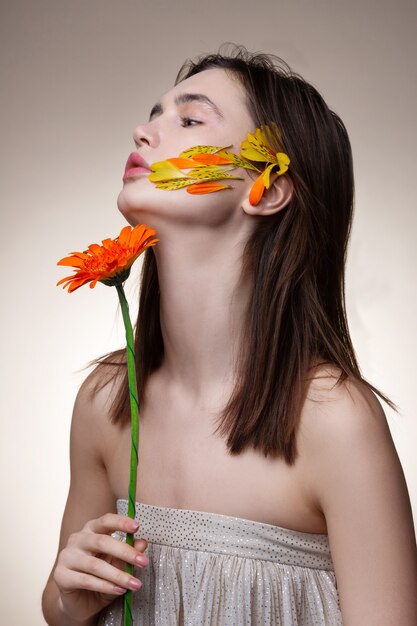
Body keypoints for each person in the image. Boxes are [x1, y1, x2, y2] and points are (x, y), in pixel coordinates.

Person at [42, 47, 417, 626]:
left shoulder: (334, 419)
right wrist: (70, 599)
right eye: (155, 114)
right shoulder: (107, 400)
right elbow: (63, 612)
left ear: (265, 189)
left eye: (189, 120)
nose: (143, 132)